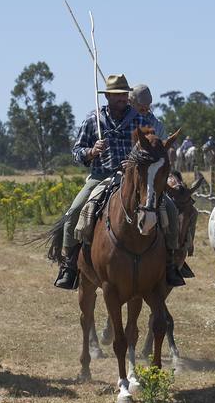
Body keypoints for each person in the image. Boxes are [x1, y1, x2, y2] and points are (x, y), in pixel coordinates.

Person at [53, 74, 183, 289]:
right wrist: (91, 151)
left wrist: (134, 164)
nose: (122, 98)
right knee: (74, 212)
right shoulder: (92, 120)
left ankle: (171, 262)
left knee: (168, 208)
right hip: (100, 177)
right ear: (108, 97)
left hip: (132, 179)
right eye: (117, 95)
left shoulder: (142, 121)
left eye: (124, 94)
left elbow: (153, 150)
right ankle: (69, 265)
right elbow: (76, 152)